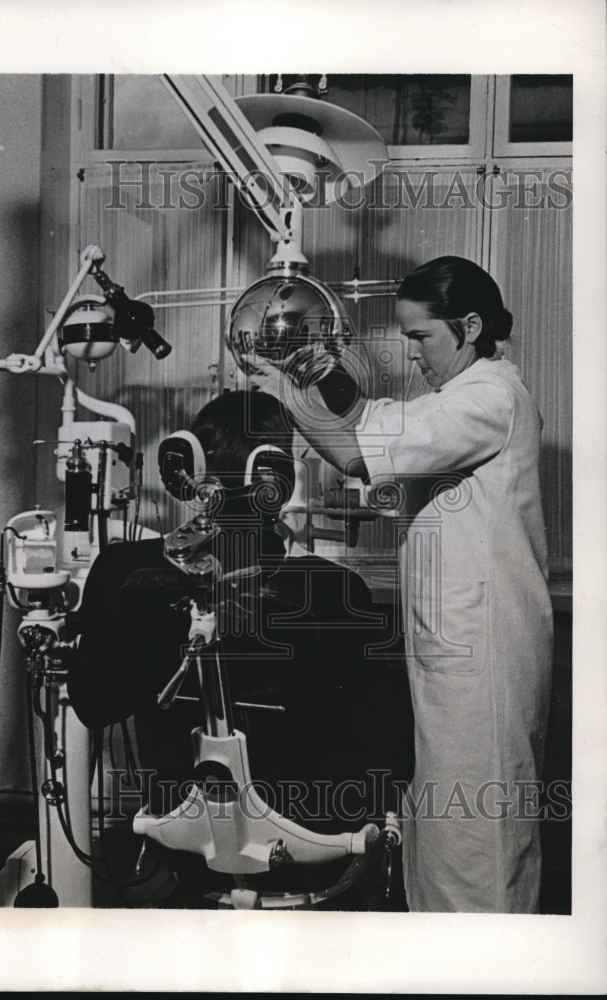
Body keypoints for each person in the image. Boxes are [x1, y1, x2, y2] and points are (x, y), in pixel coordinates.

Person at [247, 255, 554, 913]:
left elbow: (360, 453)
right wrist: (306, 372)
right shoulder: (457, 398)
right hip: (456, 648)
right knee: (444, 828)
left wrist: (283, 397)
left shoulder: (491, 399)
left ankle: (490, 972)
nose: (412, 353)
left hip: (485, 655)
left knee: (479, 836)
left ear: (470, 325)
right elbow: (373, 418)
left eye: (421, 337)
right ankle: (446, 962)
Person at [67, 389, 413, 904]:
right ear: (276, 475)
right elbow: (391, 753)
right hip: (312, 838)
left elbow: (93, 704)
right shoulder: (333, 589)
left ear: (188, 464)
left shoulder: (120, 569)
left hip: (180, 839)